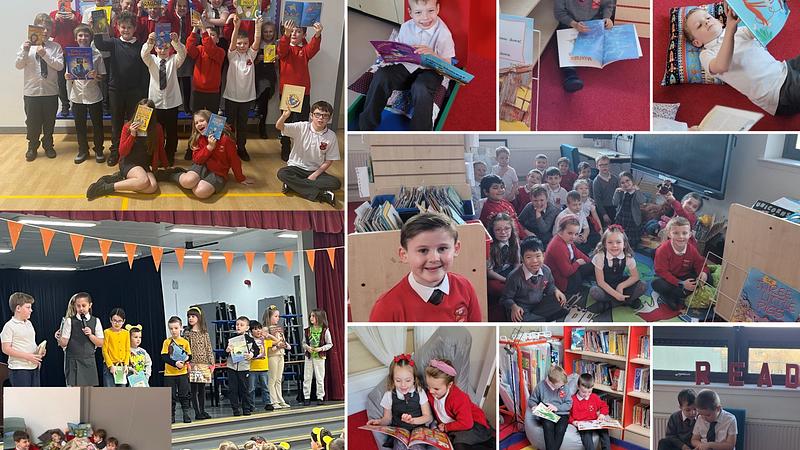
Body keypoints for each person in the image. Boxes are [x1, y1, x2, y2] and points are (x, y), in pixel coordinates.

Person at [685, 2, 798, 116]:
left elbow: (765, 26)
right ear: (697, 42)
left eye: (708, 17)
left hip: (785, 69)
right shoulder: (706, 54)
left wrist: (739, 8)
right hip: (777, 94)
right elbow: (721, 66)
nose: (706, 22)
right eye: (699, 25)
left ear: (719, 21)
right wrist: (730, 30)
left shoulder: (740, 31)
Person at [358, 0, 454, 131]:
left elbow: (448, 65)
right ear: (410, 13)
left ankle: (420, 133)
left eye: (430, 11)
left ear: (437, 9)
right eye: (418, 12)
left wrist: (433, 54)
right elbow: (396, 48)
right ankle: (366, 125)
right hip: (406, 66)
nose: (425, 17)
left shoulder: (443, 33)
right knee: (382, 75)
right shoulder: (406, 27)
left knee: (421, 88)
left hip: (431, 71)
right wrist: (383, 52)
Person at [370, 212, 482, 322]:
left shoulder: (465, 287)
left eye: (442, 249)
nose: (434, 258)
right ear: (404, 255)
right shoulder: (386, 308)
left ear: (456, 249)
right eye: (423, 250)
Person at [94, 10, 148, 166]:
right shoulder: (114, 43)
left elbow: (144, 71)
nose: (126, 30)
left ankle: (133, 152)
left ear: (134, 28)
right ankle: (116, 152)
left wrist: (143, 93)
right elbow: (99, 44)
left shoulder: (140, 46)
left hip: (135, 92)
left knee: (135, 123)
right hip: (116, 90)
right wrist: (98, 29)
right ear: (117, 27)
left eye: (129, 27)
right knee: (117, 123)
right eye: (123, 27)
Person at [86, 99, 169, 200]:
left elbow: (160, 148)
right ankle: (106, 187)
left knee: (152, 187)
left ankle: (123, 180)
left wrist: (166, 166)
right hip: (129, 162)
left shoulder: (157, 128)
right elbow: (122, 151)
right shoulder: (128, 127)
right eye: (141, 111)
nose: (144, 116)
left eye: (148, 112)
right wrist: (132, 135)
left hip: (144, 164)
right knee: (143, 181)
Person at [171, 109, 252, 198]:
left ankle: (199, 180)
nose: (199, 124)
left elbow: (234, 160)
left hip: (218, 172)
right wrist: (209, 147)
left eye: (202, 121)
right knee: (188, 182)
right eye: (196, 123)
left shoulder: (226, 140)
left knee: (200, 192)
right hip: (201, 166)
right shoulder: (199, 138)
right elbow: (196, 160)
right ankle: (172, 174)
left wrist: (240, 178)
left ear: (211, 121)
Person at [17, 13, 64, 162]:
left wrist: (45, 55)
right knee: (32, 121)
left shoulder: (55, 47)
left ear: (51, 31)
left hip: (50, 91)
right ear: (35, 28)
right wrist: (25, 51)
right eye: (42, 28)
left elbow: (59, 66)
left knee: (49, 121)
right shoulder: (26, 47)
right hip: (32, 92)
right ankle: (32, 145)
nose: (45, 32)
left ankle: (48, 144)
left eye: (48, 29)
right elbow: (18, 65)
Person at [276, 101, 341, 206]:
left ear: (329, 118)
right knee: (282, 173)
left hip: (315, 170)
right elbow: (279, 126)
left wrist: (314, 175)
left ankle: (293, 185)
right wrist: (284, 116)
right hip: (296, 168)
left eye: (325, 116)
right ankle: (321, 195)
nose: (321, 118)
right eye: (317, 114)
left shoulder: (331, 136)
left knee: (336, 183)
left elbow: (329, 160)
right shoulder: (302, 127)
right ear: (311, 115)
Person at [367, 354, 433, 449]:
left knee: (417, 447)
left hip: (418, 430)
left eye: (408, 380)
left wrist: (413, 420)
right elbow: (387, 419)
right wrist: (379, 422)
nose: (403, 385)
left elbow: (428, 417)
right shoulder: (389, 395)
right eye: (398, 380)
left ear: (414, 379)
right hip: (399, 431)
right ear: (392, 380)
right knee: (399, 445)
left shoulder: (420, 392)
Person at [424, 359, 494, 450]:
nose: (431, 391)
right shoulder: (430, 394)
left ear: (449, 385)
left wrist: (446, 427)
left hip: (474, 425)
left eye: (436, 389)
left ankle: (490, 443)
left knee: (459, 445)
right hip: (456, 427)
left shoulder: (458, 398)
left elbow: (467, 423)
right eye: (429, 386)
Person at [277, 19, 322, 160]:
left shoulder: (305, 49)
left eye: (298, 31)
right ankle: (285, 147)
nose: (294, 34)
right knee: (287, 121)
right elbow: (282, 50)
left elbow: (313, 49)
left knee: (302, 122)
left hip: (303, 91)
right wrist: (286, 34)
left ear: (304, 34)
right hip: (287, 91)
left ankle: (301, 148)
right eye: (292, 31)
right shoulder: (285, 47)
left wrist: (318, 34)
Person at [140, 30, 186, 165]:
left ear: (170, 48)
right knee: (156, 131)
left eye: (166, 47)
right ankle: (157, 154)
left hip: (172, 102)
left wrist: (176, 42)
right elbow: (143, 54)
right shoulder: (151, 60)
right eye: (160, 47)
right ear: (155, 48)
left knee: (172, 132)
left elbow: (182, 54)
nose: (163, 50)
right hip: (156, 103)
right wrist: (149, 41)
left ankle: (170, 154)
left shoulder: (174, 60)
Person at [223, 14, 263, 161]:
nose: (241, 46)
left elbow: (257, 41)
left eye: (244, 43)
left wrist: (257, 26)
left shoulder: (250, 56)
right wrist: (236, 26)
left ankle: (241, 148)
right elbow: (233, 42)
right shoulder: (232, 55)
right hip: (231, 97)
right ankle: (227, 148)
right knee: (228, 124)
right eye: (239, 43)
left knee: (242, 125)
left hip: (247, 98)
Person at [65, 25, 107, 163]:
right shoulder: (71, 54)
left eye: (86, 35)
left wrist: (96, 75)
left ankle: (99, 150)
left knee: (97, 125)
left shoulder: (97, 55)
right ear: (76, 38)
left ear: (91, 37)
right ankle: (83, 150)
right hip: (77, 96)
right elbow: (69, 74)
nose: (83, 38)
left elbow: (103, 77)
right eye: (80, 36)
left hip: (93, 94)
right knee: (80, 125)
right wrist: (67, 76)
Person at [501, 236, 568, 322]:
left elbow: (550, 286)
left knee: (559, 300)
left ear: (543, 255)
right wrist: (514, 306)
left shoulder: (546, 270)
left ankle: (538, 318)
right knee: (519, 318)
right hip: (522, 308)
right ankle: (543, 318)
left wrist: (556, 290)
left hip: (539, 304)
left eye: (538, 256)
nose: (534, 261)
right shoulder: (514, 277)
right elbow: (505, 298)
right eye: (529, 257)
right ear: (522, 259)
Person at [554, 0, 615, 92]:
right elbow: (559, 13)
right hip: (570, 23)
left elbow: (608, 4)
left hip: (593, 21)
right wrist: (574, 24)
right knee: (565, 45)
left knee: (601, 44)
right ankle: (570, 73)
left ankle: (590, 58)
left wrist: (607, 18)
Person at [185, 24, 225, 158]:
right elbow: (189, 48)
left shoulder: (220, 52)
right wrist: (194, 30)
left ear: (218, 39)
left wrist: (203, 32)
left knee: (215, 122)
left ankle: (215, 148)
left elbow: (210, 49)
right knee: (196, 121)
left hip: (213, 92)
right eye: (207, 34)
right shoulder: (199, 49)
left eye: (212, 35)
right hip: (198, 91)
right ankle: (192, 148)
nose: (208, 37)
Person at [652, 216, 710, 311]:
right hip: (668, 278)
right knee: (657, 284)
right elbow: (661, 271)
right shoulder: (662, 250)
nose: (681, 237)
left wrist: (703, 273)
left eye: (684, 233)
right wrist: (681, 283)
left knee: (707, 277)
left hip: (684, 275)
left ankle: (681, 293)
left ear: (690, 234)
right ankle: (669, 295)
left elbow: (700, 263)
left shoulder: (691, 249)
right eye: (676, 233)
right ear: (669, 234)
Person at [589, 225, 646, 312]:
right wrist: (616, 294)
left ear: (624, 244)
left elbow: (635, 276)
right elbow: (601, 282)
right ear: (604, 244)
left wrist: (621, 286)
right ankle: (627, 301)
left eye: (618, 242)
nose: (614, 245)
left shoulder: (627, 256)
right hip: (605, 286)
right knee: (594, 291)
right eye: (610, 242)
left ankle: (610, 304)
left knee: (642, 285)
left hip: (620, 282)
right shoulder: (599, 256)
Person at [57, 292, 104, 386]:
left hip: (89, 361)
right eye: (78, 306)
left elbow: (101, 343)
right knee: (73, 392)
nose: (81, 308)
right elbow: (63, 343)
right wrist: (59, 338)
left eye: (84, 305)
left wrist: (90, 335)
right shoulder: (69, 321)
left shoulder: (96, 321)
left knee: (88, 392)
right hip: (73, 361)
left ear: (90, 305)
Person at [544, 215, 595, 296]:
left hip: (570, 267)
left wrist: (590, 262)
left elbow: (576, 252)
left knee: (591, 264)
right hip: (562, 282)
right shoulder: (558, 246)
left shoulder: (567, 240)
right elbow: (566, 272)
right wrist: (577, 263)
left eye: (576, 234)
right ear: (561, 231)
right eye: (570, 233)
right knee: (579, 275)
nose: (573, 237)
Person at [1, 292, 44, 387]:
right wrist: (27, 356)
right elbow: (5, 349)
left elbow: (30, 343)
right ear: (18, 308)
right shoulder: (9, 326)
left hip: (33, 367)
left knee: (34, 398)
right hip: (19, 369)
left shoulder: (29, 323)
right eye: (28, 307)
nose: (31, 310)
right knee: (23, 399)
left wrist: (39, 351)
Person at [50, 2, 82, 117]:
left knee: (77, 78)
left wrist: (75, 20)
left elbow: (82, 32)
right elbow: (51, 34)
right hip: (59, 51)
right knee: (61, 80)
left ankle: (77, 104)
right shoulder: (53, 14)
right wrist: (55, 20)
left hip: (75, 51)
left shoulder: (77, 15)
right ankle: (65, 105)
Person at [530, 365, 572, 450]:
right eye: (559, 386)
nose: (562, 387)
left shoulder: (564, 387)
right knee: (548, 426)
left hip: (562, 414)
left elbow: (569, 404)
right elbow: (532, 400)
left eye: (563, 385)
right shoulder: (540, 386)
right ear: (550, 383)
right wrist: (534, 406)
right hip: (547, 413)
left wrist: (557, 408)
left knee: (560, 429)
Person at [162, 315, 193, 423]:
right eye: (171, 328)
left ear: (180, 328)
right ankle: (171, 416)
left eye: (176, 328)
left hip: (182, 373)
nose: (173, 331)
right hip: (169, 374)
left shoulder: (185, 342)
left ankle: (186, 413)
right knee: (171, 396)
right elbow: (164, 357)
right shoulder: (167, 342)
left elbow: (190, 355)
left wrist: (185, 360)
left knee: (184, 394)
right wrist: (175, 363)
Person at [226, 316, 259, 416]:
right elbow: (224, 352)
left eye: (241, 325)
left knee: (245, 389)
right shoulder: (230, 339)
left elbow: (257, 350)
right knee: (233, 389)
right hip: (232, 367)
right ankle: (235, 409)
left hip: (244, 368)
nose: (238, 327)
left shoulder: (250, 339)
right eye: (237, 325)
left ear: (247, 327)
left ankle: (246, 408)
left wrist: (251, 355)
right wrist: (227, 350)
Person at [185, 307, 214, 419]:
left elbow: (208, 348)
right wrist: (187, 363)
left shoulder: (204, 333)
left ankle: (203, 410)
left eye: (193, 316)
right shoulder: (188, 333)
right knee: (194, 390)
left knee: (202, 389)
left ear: (199, 317)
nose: (190, 318)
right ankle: (197, 412)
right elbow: (186, 349)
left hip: (204, 364)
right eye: (189, 316)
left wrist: (212, 363)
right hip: (193, 364)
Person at [570, 373, 612, 450]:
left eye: (589, 392)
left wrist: (602, 414)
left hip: (594, 422)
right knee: (586, 436)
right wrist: (573, 422)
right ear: (578, 387)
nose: (586, 394)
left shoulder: (594, 397)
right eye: (584, 392)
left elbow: (604, 406)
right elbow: (567, 414)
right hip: (583, 425)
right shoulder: (572, 400)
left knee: (604, 431)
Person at [487, 213, 521, 306]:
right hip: (496, 275)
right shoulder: (489, 246)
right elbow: (489, 272)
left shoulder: (514, 241)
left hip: (510, 271)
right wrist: (506, 280)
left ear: (511, 229)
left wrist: (514, 277)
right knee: (497, 288)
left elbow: (517, 263)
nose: (503, 232)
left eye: (507, 228)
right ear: (492, 231)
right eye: (498, 230)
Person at [302, 309, 333, 406]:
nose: (311, 318)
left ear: (319, 317)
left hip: (319, 357)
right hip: (309, 356)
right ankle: (306, 397)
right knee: (307, 377)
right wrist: (307, 347)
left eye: (313, 316)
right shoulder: (307, 330)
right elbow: (303, 343)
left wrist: (321, 349)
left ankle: (320, 396)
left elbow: (330, 344)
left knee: (320, 377)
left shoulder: (325, 330)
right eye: (311, 316)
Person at [263, 305, 291, 409]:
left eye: (278, 316)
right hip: (272, 355)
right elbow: (266, 346)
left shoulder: (279, 328)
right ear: (269, 317)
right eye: (275, 316)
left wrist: (285, 345)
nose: (277, 318)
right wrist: (276, 346)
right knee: (272, 378)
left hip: (280, 354)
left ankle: (280, 399)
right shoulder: (265, 329)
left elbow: (282, 340)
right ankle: (273, 400)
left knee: (279, 379)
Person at [255, 21, 278, 139]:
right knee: (262, 90)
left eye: (270, 31)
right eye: (265, 31)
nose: (268, 34)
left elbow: (278, 67)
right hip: (257, 76)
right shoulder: (257, 44)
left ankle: (262, 125)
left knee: (265, 94)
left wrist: (276, 61)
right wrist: (257, 59)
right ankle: (259, 119)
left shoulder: (277, 45)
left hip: (269, 76)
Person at [612, 171, 645, 249]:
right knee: (620, 236)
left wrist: (638, 191)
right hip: (621, 218)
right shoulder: (621, 192)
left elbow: (642, 201)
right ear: (620, 185)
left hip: (632, 219)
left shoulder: (636, 192)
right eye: (622, 182)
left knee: (631, 240)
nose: (626, 184)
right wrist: (616, 192)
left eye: (627, 181)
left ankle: (630, 249)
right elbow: (615, 203)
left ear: (632, 181)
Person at [102, 308, 130, 387]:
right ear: (110, 320)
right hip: (109, 366)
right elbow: (104, 351)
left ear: (123, 321)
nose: (117, 323)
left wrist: (126, 364)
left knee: (121, 391)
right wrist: (110, 365)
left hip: (122, 366)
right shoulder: (107, 332)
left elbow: (127, 350)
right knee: (110, 390)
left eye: (119, 321)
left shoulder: (126, 333)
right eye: (114, 320)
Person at [248, 320, 273, 410]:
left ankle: (267, 403)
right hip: (252, 368)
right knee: (251, 389)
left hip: (263, 367)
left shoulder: (264, 341)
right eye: (255, 329)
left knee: (265, 387)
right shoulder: (249, 342)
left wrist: (267, 335)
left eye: (259, 329)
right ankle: (251, 405)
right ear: (251, 331)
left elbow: (277, 341)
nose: (258, 331)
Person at [592, 155, 619, 227]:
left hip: (614, 207)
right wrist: (604, 214)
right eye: (601, 165)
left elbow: (619, 194)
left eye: (606, 164)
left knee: (615, 227)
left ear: (609, 165)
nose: (604, 167)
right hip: (603, 209)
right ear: (597, 166)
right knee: (605, 228)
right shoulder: (596, 182)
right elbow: (597, 200)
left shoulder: (614, 179)